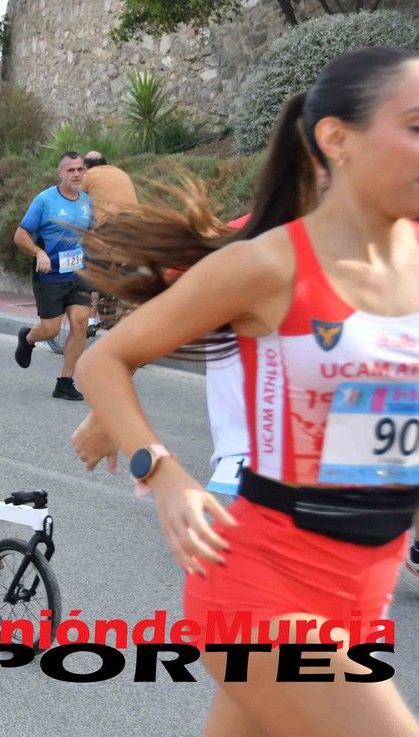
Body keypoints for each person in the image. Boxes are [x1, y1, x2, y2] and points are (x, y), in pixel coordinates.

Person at [74, 47, 419, 736]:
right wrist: (161, 471)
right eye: (414, 123)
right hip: (260, 585)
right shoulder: (267, 264)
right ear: (336, 140)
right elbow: (105, 359)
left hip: (363, 586)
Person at [13, 151, 94, 401]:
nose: (77, 174)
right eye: (71, 170)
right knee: (50, 329)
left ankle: (65, 382)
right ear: (60, 173)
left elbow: (90, 235)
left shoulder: (87, 202)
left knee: (80, 322)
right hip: (49, 274)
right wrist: (39, 253)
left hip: (78, 272)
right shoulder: (44, 200)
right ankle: (28, 338)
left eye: (80, 169)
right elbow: (20, 235)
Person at [81, 151, 139, 223]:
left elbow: (75, 198)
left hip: (111, 224)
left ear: (85, 166)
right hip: (137, 220)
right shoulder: (121, 172)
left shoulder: (88, 175)